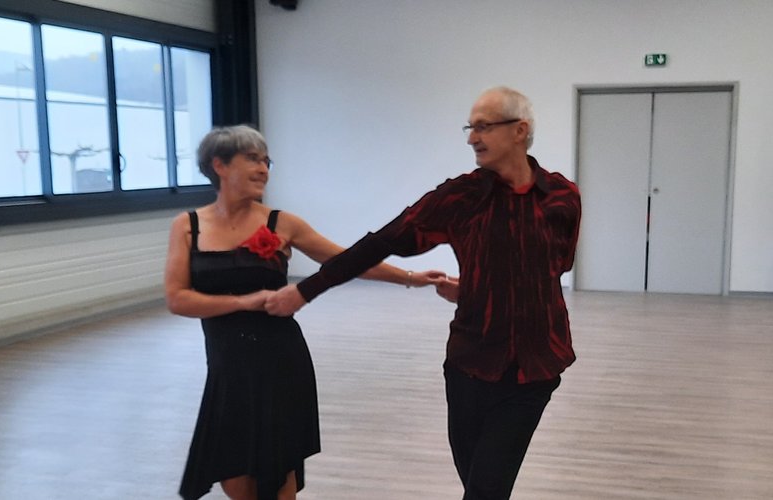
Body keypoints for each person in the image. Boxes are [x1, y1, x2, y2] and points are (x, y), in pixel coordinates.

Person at [266, 86, 581, 499]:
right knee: (477, 481)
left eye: (483, 127)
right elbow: (380, 242)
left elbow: (557, 266)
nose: (471, 137)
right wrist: (305, 291)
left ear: (519, 131)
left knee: (486, 490)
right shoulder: (460, 198)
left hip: (533, 369)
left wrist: (490, 287)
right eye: (470, 127)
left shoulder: (562, 197)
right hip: (470, 365)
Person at [164, 125, 443, 500]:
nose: (263, 168)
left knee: (279, 479)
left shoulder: (282, 223)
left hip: (281, 362)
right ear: (219, 165)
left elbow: (348, 261)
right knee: (236, 480)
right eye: (252, 159)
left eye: (266, 161)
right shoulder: (187, 226)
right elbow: (178, 299)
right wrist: (244, 302)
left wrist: (411, 277)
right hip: (228, 368)